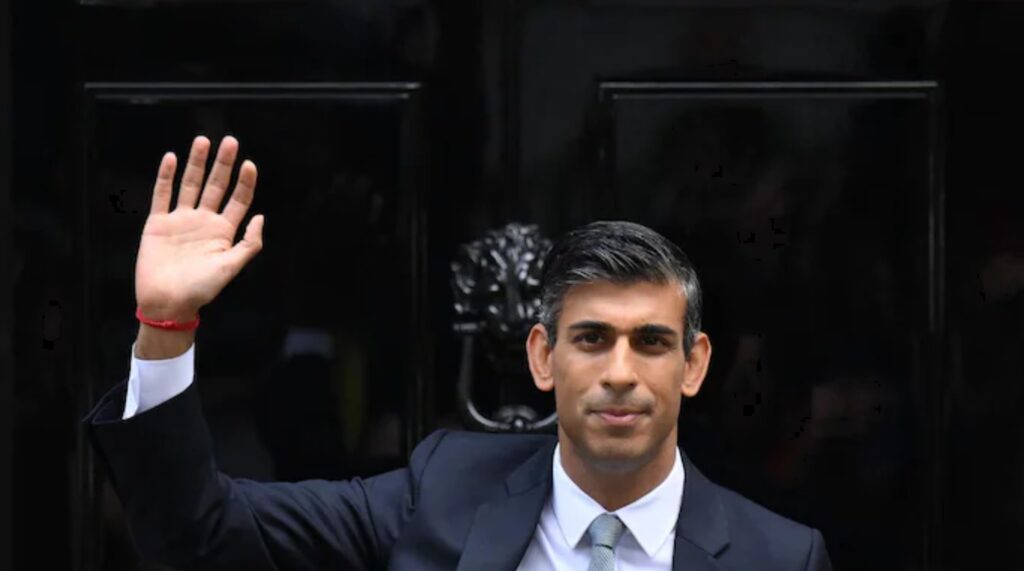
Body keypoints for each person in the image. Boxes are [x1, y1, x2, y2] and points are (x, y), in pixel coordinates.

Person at [86, 135, 833, 570]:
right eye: (591, 338)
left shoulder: (780, 556)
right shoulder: (442, 492)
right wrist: (165, 325)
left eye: (652, 342)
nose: (619, 372)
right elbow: (197, 535)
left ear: (694, 364)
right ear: (543, 357)